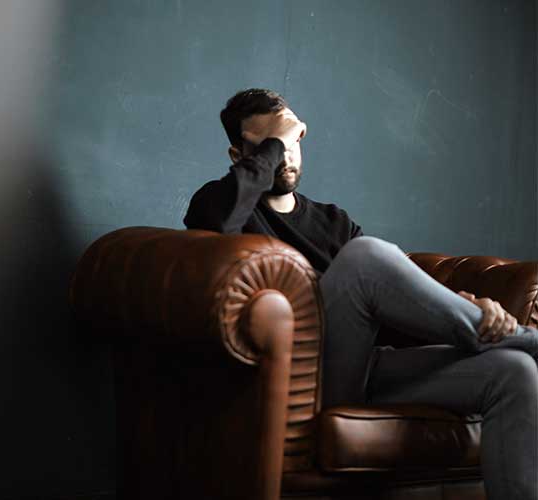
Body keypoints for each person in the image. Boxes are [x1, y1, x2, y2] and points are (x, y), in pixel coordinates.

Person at [183, 88, 538, 500]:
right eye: (270, 143)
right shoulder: (219, 204)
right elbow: (215, 228)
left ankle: (503, 338)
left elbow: (386, 307)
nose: (286, 155)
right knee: (365, 257)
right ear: (238, 155)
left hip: (365, 369)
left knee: (515, 372)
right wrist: (277, 144)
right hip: (304, 381)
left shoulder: (334, 222)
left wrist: (462, 306)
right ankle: (522, 338)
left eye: (293, 138)